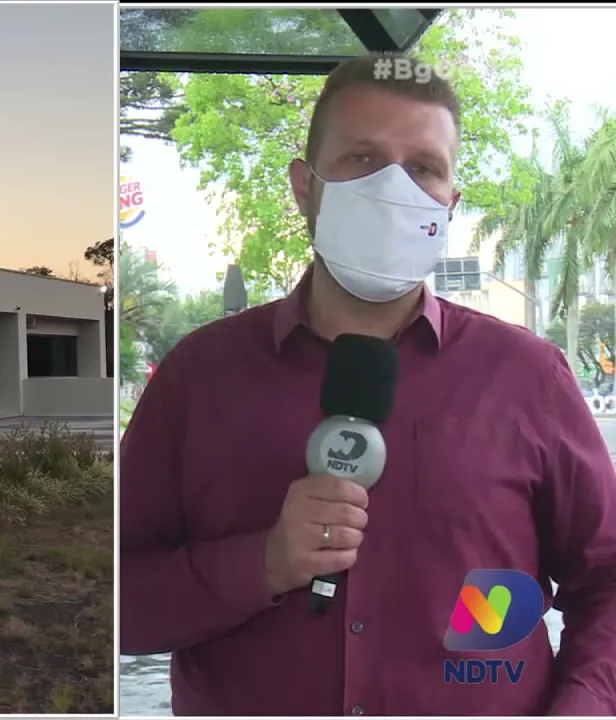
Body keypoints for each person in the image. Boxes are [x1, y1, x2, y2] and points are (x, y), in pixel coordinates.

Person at [119, 53, 616, 716]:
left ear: (449, 203)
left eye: (424, 168)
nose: (394, 188)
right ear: (305, 186)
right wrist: (261, 564)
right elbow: (114, 602)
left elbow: (607, 580)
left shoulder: (528, 377)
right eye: (362, 158)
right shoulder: (198, 378)